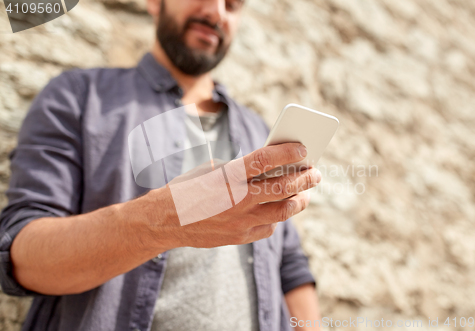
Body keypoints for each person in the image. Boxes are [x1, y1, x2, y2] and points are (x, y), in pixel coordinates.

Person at [0, 0, 322, 330]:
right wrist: (167, 218)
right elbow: (23, 258)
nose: (216, 13)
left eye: (232, 5)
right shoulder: (78, 96)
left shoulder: (258, 130)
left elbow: (289, 266)